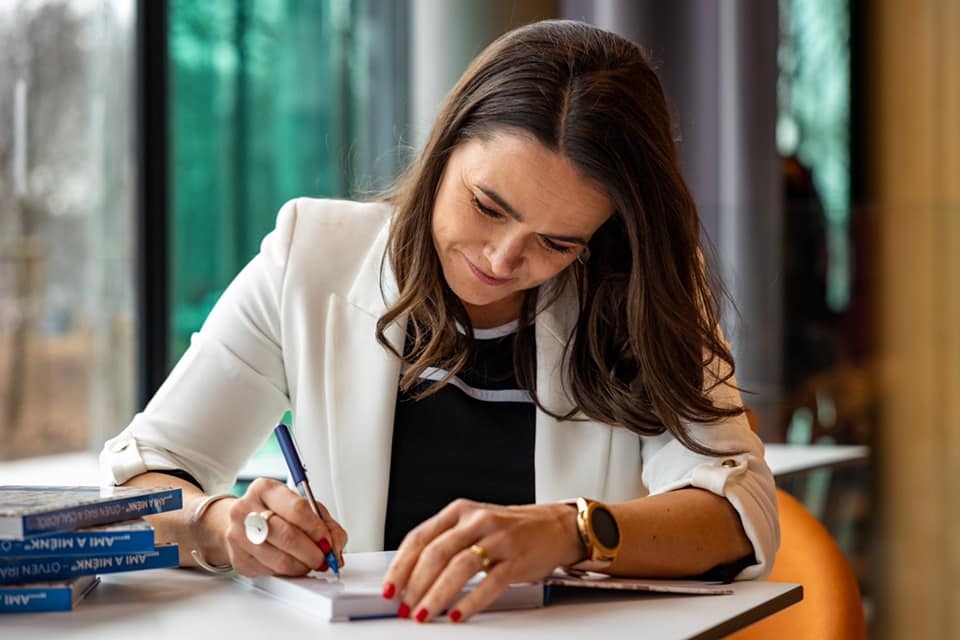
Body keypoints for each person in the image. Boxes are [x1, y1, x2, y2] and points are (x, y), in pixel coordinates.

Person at [100, 19, 778, 624]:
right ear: (443, 147)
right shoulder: (311, 257)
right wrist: (227, 526)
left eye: (558, 242)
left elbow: (740, 512)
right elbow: (142, 477)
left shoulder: (634, 288)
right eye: (488, 205)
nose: (504, 257)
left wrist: (570, 531)